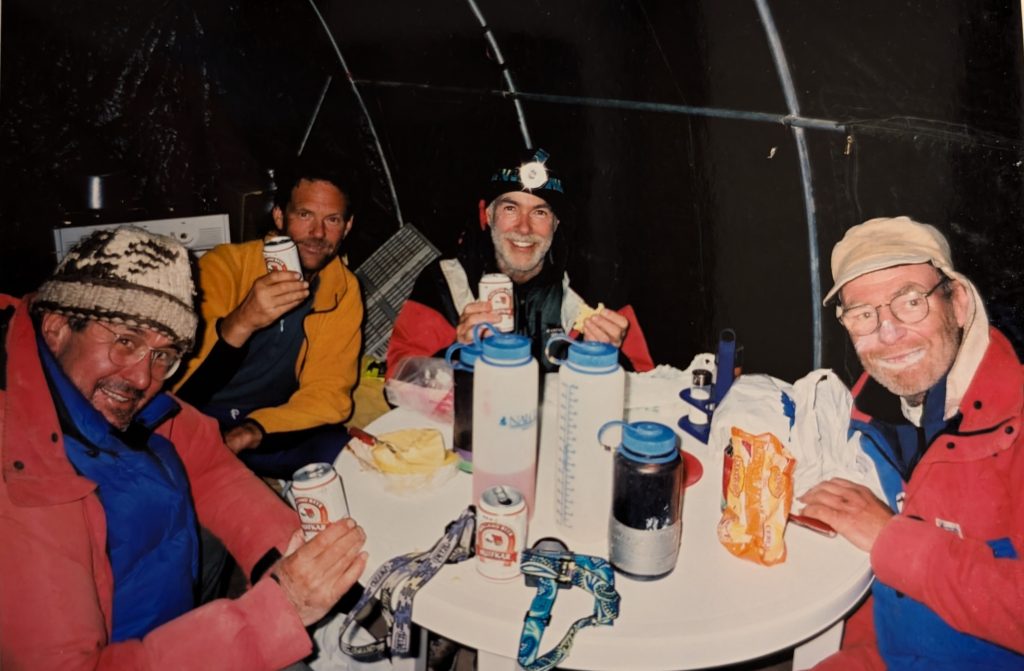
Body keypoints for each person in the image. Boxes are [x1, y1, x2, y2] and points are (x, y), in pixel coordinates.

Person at [0, 226, 368, 670]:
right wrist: (277, 610)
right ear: (57, 327)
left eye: (163, 355)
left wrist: (287, 551)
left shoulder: (109, 397)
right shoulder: (20, 479)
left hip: (174, 626)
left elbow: (210, 468)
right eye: (126, 341)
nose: (142, 379)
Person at [799, 216, 1023, 669]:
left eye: (911, 301)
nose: (888, 333)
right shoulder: (872, 407)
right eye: (863, 314)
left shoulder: (1014, 424)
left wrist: (892, 540)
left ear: (958, 302)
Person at [386, 148, 655, 375]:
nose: (524, 228)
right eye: (510, 209)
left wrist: (612, 359)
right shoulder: (445, 283)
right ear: (486, 215)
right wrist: (459, 355)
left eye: (540, 212)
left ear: (556, 223)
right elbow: (399, 384)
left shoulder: (596, 290)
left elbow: (648, 388)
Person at [174, 158, 363, 480]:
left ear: (347, 227)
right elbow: (180, 389)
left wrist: (252, 432)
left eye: (332, 219)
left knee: (352, 461)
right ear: (279, 216)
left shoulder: (342, 288)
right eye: (304, 215)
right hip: (199, 418)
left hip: (271, 424)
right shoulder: (225, 266)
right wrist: (242, 322)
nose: (318, 233)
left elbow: (328, 393)